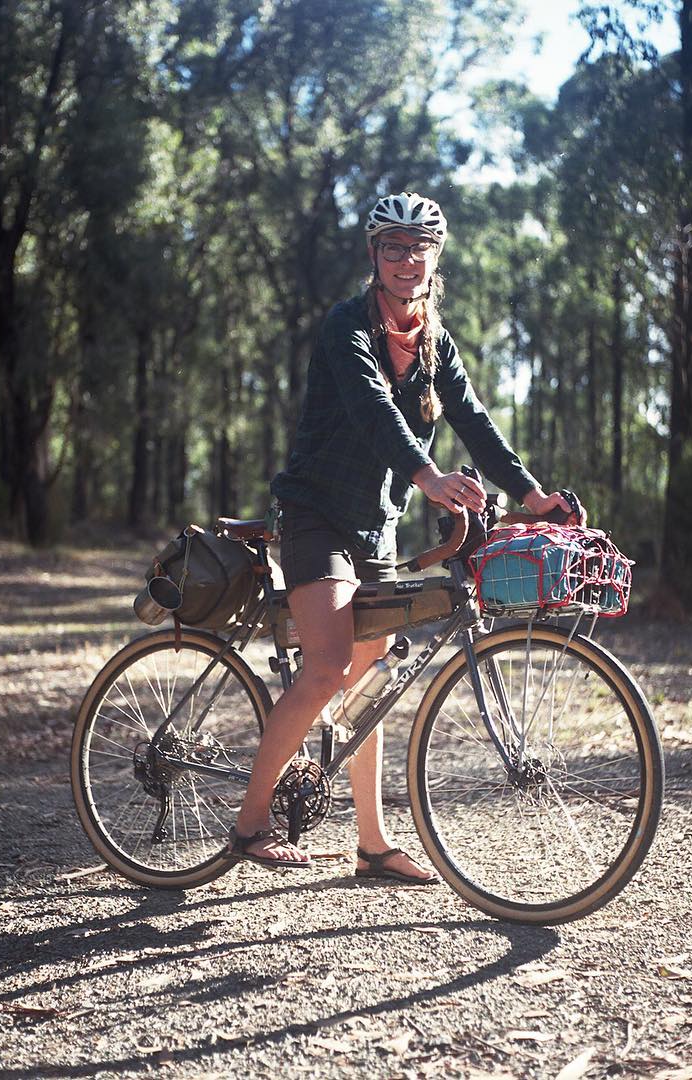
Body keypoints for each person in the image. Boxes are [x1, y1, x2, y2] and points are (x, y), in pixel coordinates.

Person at [229, 191, 585, 881]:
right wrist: (429, 477)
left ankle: (372, 844)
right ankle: (249, 823)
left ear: (435, 256)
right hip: (316, 515)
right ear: (375, 255)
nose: (406, 258)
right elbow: (371, 413)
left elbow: (475, 422)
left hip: (377, 525)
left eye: (419, 246)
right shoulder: (346, 327)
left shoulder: (433, 343)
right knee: (330, 666)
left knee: (372, 684)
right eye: (393, 246)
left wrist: (531, 494)